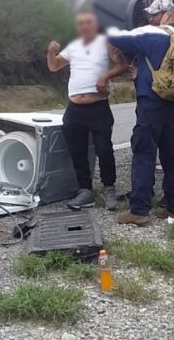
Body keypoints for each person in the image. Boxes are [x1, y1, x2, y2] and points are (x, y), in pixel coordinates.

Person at [107, 7, 174, 225]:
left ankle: (140, 210)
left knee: (144, 153)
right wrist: (140, 74)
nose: (152, 18)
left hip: (151, 104)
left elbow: (117, 37)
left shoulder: (155, 33)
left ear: (168, 17)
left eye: (157, 14)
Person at [47, 12, 128, 210]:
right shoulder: (74, 46)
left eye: (88, 23)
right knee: (77, 151)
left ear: (95, 25)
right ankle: (85, 191)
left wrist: (105, 77)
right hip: (74, 108)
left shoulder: (105, 42)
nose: (84, 26)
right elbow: (55, 66)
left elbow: (122, 65)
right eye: (80, 23)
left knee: (104, 149)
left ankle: (109, 189)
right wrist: (50, 53)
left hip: (98, 107)